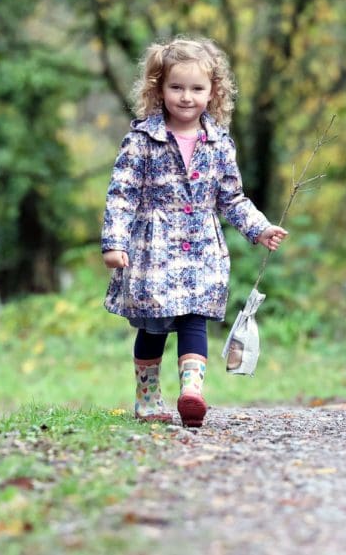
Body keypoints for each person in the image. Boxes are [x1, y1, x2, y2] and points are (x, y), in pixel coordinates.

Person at [100, 36, 288, 428]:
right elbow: (122, 195)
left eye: (197, 88)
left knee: (194, 319)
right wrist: (115, 243)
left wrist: (259, 227)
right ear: (159, 88)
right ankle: (148, 396)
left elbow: (231, 198)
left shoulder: (218, 142)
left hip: (201, 245)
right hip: (153, 247)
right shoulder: (141, 140)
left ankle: (192, 392)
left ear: (213, 92)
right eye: (177, 87)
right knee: (153, 325)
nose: (187, 97)